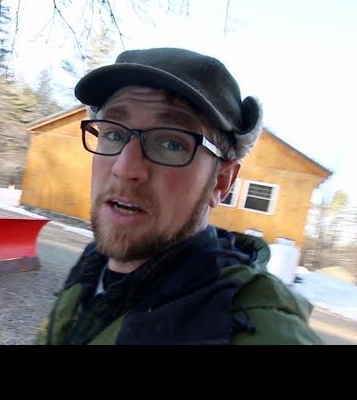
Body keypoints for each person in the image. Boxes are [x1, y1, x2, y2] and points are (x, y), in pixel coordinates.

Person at [35, 47, 322, 345]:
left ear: (220, 182)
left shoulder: (257, 331)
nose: (125, 168)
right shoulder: (93, 263)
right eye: (114, 134)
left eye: (171, 143)